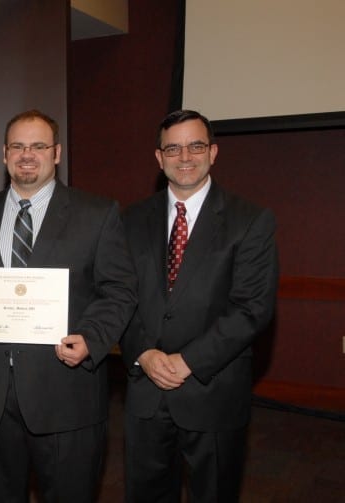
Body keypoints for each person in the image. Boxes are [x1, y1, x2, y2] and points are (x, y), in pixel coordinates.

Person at [0, 109, 138, 502]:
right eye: (18, 146)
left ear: (56, 153)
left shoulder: (97, 214)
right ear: (4, 154)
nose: (27, 155)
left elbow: (120, 289)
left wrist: (92, 338)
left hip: (65, 393)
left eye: (38, 146)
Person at [120, 109, 279, 502]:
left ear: (213, 152)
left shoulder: (250, 220)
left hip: (214, 392)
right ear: (159, 158)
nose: (184, 156)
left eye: (195, 146)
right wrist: (144, 352)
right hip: (146, 390)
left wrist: (186, 361)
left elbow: (251, 308)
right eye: (173, 148)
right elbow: (118, 296)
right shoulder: (128, 220)